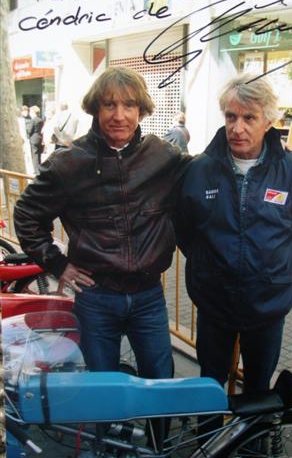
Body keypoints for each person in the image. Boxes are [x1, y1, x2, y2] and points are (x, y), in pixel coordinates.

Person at [175, 73, 292, 431]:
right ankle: (207, 439)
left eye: (249, 118)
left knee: (260, 387)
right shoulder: (201, 170)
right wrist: (204, 264)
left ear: (268, 121)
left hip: (267, 305)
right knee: (210, 382)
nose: (238, 127)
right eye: (231, 116)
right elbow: (184, 227)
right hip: (214, 304)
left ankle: (253, 442)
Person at [14, 67, 191, 384]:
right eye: (109, 104)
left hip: (149, 296)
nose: (119, 115)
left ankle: (157, 436)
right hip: (96, 297)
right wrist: (58, 264)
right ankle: (106, 433)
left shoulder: (163, 156)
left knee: (161, 382)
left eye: (128, 105)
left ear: (141, 110)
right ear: (96, 108)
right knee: (102, 386)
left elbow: (209, 170)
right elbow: (27, 215)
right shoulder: (69, 162)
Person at [17, 105, 34, 175]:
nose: (26, 112)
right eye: (25, 111)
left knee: (27, 155)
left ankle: (29, 169)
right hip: (23, 139)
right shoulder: (21, 120)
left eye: (27, 111)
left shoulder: (27, 119)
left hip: (26, 139)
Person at [28, 105, 44, 175]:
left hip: (34, 138)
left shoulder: (33, 120)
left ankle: (36, 171)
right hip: (40, 138)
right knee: (39, 155)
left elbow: (29, 130)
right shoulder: (41, 120)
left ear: (33, 112)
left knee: (34, 155)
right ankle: (40, 168)